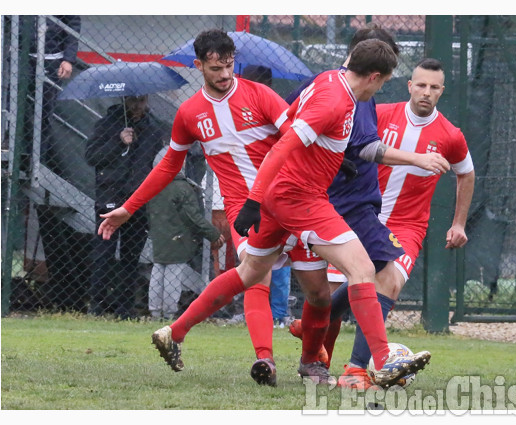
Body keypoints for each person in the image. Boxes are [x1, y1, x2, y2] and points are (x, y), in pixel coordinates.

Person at [135, 38, 431, 389]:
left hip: (284, 193)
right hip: (298, 197)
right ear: (374, 77)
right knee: (363, 269)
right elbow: (284, 146)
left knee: (249, 272)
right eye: (382, 83)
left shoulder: (329, 80)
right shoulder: (335, 101)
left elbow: (290, 123)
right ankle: (382, 362)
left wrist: (330, 160)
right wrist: (252, 201)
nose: (380, 89)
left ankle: (175, 332)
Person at [95, 29, 292, 383]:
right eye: (216, 68)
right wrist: (128, 207)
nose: (224, 74)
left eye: (230, 65)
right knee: (255, 275)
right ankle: (267, 360)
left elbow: (297, 138)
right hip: (244, 210)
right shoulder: (190, 113)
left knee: (324, 284)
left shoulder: (261, 95)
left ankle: (313, 354)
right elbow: (169, 166)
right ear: (199, 65)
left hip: (291, 199)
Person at [292, 57, 475, 388]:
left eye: (434, 87)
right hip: (364, 215)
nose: (426, 92)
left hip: (407, 226)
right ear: (409, 86)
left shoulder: (450, 135)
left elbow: (466, 173)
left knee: (386, 281)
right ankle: (318, 360)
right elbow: (352, 144)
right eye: (420, 85)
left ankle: (356, 369)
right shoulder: (381, 112)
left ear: (442, 92)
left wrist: (459, 223)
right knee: (339, 288)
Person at [85, 94, 166, 319]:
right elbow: (92, 156)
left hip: (138, 198)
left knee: (131, 255)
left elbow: (158, 163)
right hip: (110, 194)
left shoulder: (153, 129)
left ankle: (125, 308)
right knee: (104, 252)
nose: (138, 106)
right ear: (124, 100)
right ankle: (97, 306)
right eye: (133, 101)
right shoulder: (107, 123)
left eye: (141, 101)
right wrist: (118, 141)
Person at [147, 146, 225, 320]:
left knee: (158, 269)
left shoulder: (153, 187)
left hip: (159, 235)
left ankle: (154, 310)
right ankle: (169, 311)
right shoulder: (182, 188)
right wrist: (212, 233)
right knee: (173, 274)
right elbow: (193, 216)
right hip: (179, 238)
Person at [25, 15, 81, 173]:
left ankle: (38, 161)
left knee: (44, 112)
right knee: (15, 105)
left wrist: (69, 59)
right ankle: (10, 143)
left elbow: (73, 25)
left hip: (52, 61)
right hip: (22, 57)